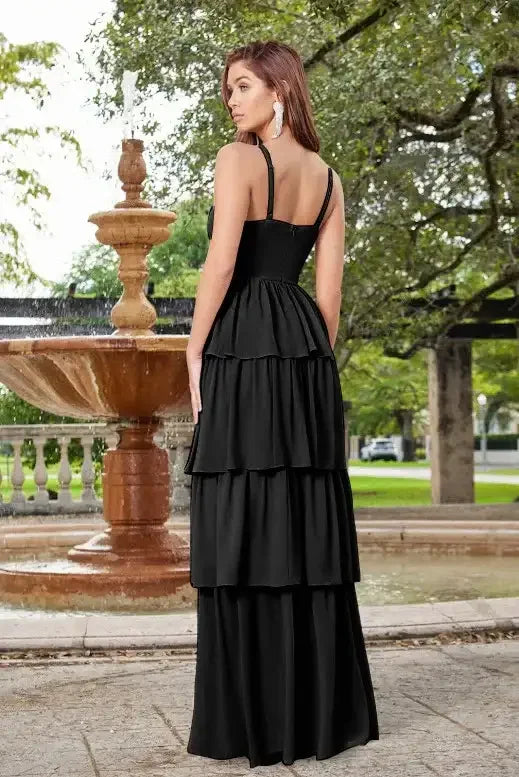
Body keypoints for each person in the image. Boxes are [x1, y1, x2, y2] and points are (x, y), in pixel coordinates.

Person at [183, 39, 379, 768]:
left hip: (240, 338)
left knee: (238, 520)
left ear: (279, 91)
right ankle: (314, 717)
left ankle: (245, 720)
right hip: (301, 345)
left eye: (240, 87)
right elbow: (327, 299)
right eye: (227, 88)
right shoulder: (328, 179)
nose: (230, 101)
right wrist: (306, 369)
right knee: (300, 526)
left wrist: (194, 346)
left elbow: (223, 260)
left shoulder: (237, 162)